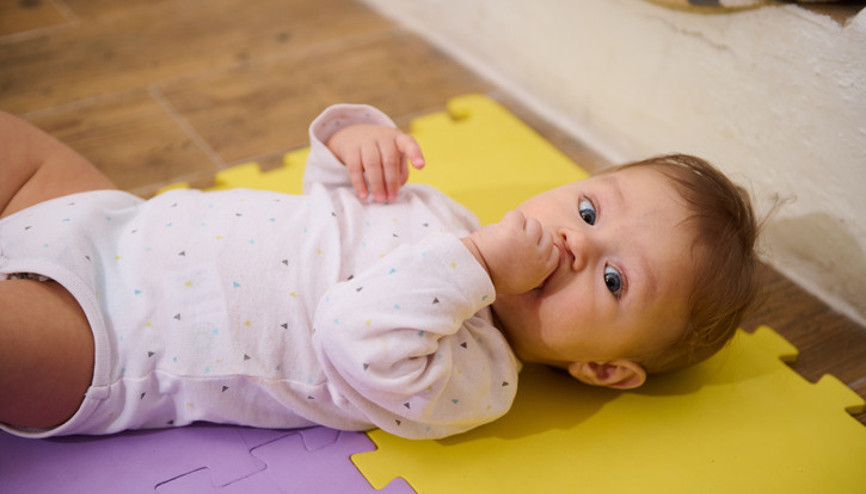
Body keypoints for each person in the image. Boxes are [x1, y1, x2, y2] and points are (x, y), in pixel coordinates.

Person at [0, 103, 758, 440]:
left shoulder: (473, 379)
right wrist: (354, 141)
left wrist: (485, 267)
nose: (577, 244)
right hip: (113, 220)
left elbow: (351, 330)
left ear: (600, 367)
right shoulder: (452, 217)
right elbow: (329, 196)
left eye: (615, 281)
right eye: (590, 211)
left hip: (109, 341)